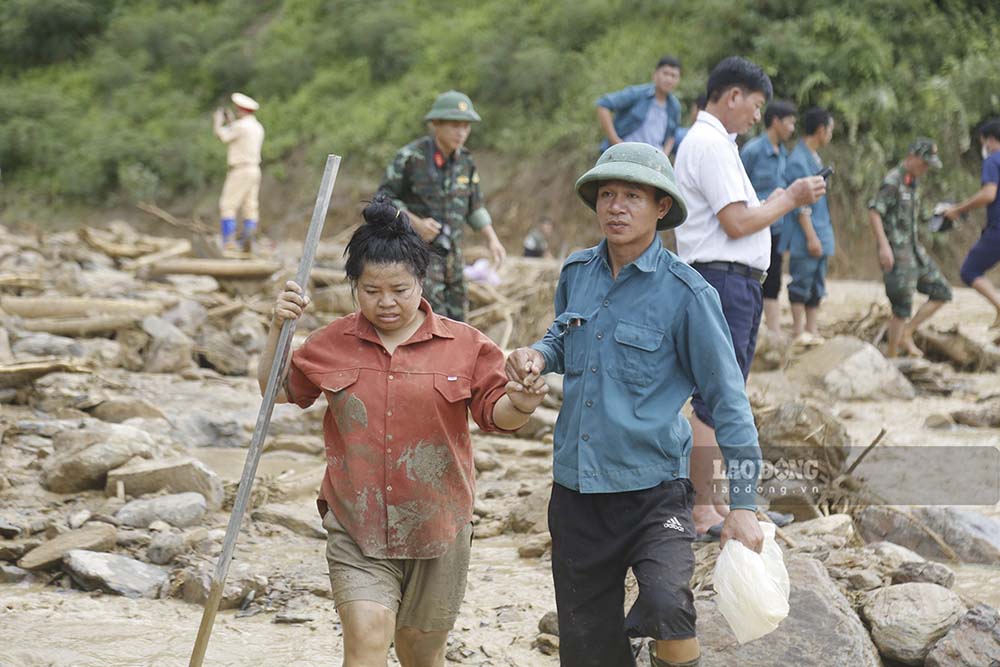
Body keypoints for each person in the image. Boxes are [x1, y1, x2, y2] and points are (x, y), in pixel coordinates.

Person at [506, 142, 763, 667]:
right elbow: (561, 336)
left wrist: (743, 506)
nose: (615, 207)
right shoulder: (577, 272)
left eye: (631, 196)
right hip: (577, 491)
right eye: (606, 195)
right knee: (587, 646)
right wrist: (536, 355)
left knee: (671, 606)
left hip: (655, 494)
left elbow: (728, 402)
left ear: (661, 207)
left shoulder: (688, 295)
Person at [261, 194, 545, 667]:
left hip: (440, 524)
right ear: (354, 287)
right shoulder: (331, 344)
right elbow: (277, 391)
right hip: (357, 524)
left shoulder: (466, 346)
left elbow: (499, 416)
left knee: (420, 653)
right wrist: (278, 328)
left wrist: (522, 401)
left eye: (399, 289)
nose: (386, 302)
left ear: (421, 282)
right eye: (372, 290)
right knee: (368, 639)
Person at [673, 56, 825, 535]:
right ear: (733, 96)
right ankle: (703, 510)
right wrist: (790, 198)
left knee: (722, 398)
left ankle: (717, 506)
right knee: (715, 399)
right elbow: (736, 222)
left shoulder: (719, 144)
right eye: (756, 105)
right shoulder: (710, 144)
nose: (758, 116)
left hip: (730, 279)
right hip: (721, 279)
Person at [379, 90, 506, 322]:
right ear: (435, 124)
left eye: (466, 126)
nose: (461, 132)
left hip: (454, 256)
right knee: (430, 318)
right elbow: (383, 201)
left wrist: (492, 239)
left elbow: (474, 205)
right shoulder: (410, 158)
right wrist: (415, 222)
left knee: (458, 321)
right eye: (455, 125)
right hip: (419, 254)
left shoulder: (466, 161)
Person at [867, 138, 952, 357]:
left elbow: (911, 217)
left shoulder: (912, 181)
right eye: (924, 163)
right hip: (897, 252)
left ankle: (907, 333)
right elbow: (875, 211)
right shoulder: (893, 181)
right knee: (901, 305)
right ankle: (892, 355)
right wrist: (883, 247)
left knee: (942, 291)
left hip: (914, 251)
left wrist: (938, 216)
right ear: (912, 156)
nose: (926, 169)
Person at [740, 100, 797, 333]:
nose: (792, 128)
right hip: (752, 226)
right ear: (775, 121)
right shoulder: (753, 150)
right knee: (750, 280)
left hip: (776, 228)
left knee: (773, 279)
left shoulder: (784, 154)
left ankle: (773, 333)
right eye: (790, 122)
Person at [780, 107, 835, 342]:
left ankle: (812, 329)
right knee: (801, 280)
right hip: (807, 234)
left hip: (822, 230)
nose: (830, 135)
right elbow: (800, 204)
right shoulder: (798, 160)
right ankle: (798, 329)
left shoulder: (813, 156)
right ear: (821, 130)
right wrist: (811, 236)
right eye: (830, 130)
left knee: (817, 283)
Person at [946, 119, 1000, 327]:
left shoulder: (993, 161)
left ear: (991, 140)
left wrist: (958, 209)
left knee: (970, 271)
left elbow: (988, 194)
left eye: (983, 142)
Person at [597, 56, 683, 155]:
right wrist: (615, 141)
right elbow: (603, 104)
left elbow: (671, 136)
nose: (669, 79)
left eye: (673, 76)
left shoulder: (674, 106)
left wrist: (663, 156)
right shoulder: (638, 94)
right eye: (665, 73)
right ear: (655, 74)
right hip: (623, 156)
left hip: (651, 162)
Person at [213, 92, 265, 252]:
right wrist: (231, 123)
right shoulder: (257, 127)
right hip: (254, 169)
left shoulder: (240, 126)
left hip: (240, 170)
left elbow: (222, 135)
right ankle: (248, 240)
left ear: (242, 110)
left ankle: (228, 241)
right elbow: (238, 132)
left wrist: (218, 122)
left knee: (228, 205)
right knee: (250, 206)